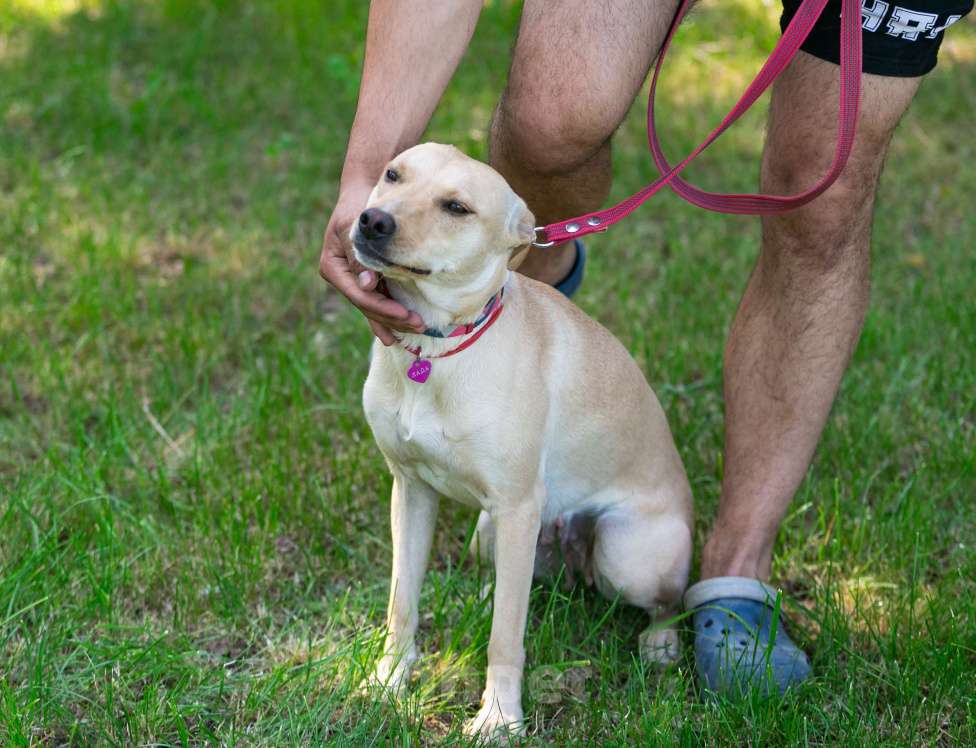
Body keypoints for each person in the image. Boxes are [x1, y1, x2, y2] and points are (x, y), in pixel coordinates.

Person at [319, 0, 972, 696]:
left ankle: (731, 572)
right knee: (554, 115)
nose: (385, 213)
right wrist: (364, 169)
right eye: (395, 179)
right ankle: (525, 353)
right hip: (466, 332)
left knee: (824, 189)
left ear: (512, 237)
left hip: (630, 514)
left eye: (450, 207)